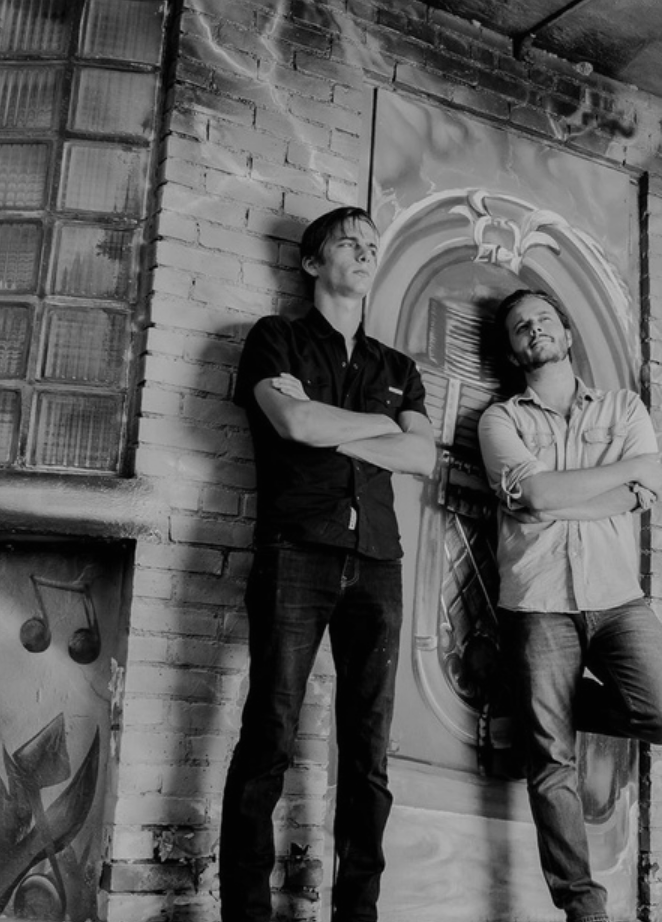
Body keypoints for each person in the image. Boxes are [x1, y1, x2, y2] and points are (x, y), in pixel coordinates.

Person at [220, 206, 437, 922]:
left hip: (377, 561)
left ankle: (357, 912)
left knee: (368, 752)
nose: (366, 252)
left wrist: (329, 427)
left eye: (373, 245)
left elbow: (421, 456)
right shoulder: (274, 338)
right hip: (296, 550)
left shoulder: (398, 367)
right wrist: (377, 426)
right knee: (270, 735)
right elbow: (292, 421)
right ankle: (246, 914)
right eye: (350, 242)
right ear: (313, 262)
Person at [477, 288, 662, 922]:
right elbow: (546, 491)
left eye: (544, 319)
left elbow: (637, 488)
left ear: (567, 333)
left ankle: (538, 700)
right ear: (512, 349)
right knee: (552, 762)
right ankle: (584, 910)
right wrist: (617, 477)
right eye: (520, 327)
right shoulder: (500, 421)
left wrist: (551, 500)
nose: (533, 330)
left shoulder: (624, 407)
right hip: (538, 602)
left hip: (616, 598)